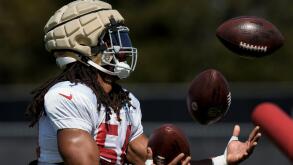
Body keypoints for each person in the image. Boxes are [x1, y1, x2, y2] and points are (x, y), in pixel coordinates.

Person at [26, 0, 261, 164]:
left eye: (123, 37)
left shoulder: (126, 103)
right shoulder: (70, 95)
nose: (123, 47)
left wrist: (223, 160)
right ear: (82, 47)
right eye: (112, 40)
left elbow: (157, 164)